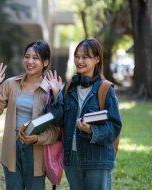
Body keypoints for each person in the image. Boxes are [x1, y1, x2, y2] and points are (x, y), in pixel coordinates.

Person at [0, 40, 60, 190]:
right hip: (12, 148)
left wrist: (37, 138)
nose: (30, 61)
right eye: (27, 56)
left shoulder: (51, 89)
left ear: (45, 62)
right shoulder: (11, 84)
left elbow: (56, 130)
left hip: (36, 149)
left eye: (35, 58)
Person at [45, 38, 122, 190]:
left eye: (85, 57)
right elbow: (58, 121)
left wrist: (92, 130)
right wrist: (55, 95)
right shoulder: (69, 87)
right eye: (77, 56)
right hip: (72, 158)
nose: (79, 61)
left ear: (97, 59)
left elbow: (114, 127)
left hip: (97, 159)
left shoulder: (105, 89)